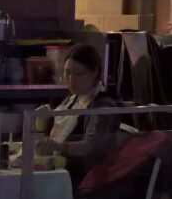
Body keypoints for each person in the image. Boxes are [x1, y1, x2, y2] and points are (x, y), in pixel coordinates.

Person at [35, 44, 119, 182]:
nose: (71, 79)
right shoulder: (72, 99)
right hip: (59, 171)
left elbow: (91, 146)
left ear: (95, 72)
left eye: (79, 74)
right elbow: (50, 129)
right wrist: (42, 120)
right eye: (67, 72)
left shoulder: (103, 107)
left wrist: (60, 146)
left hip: (87, 180)